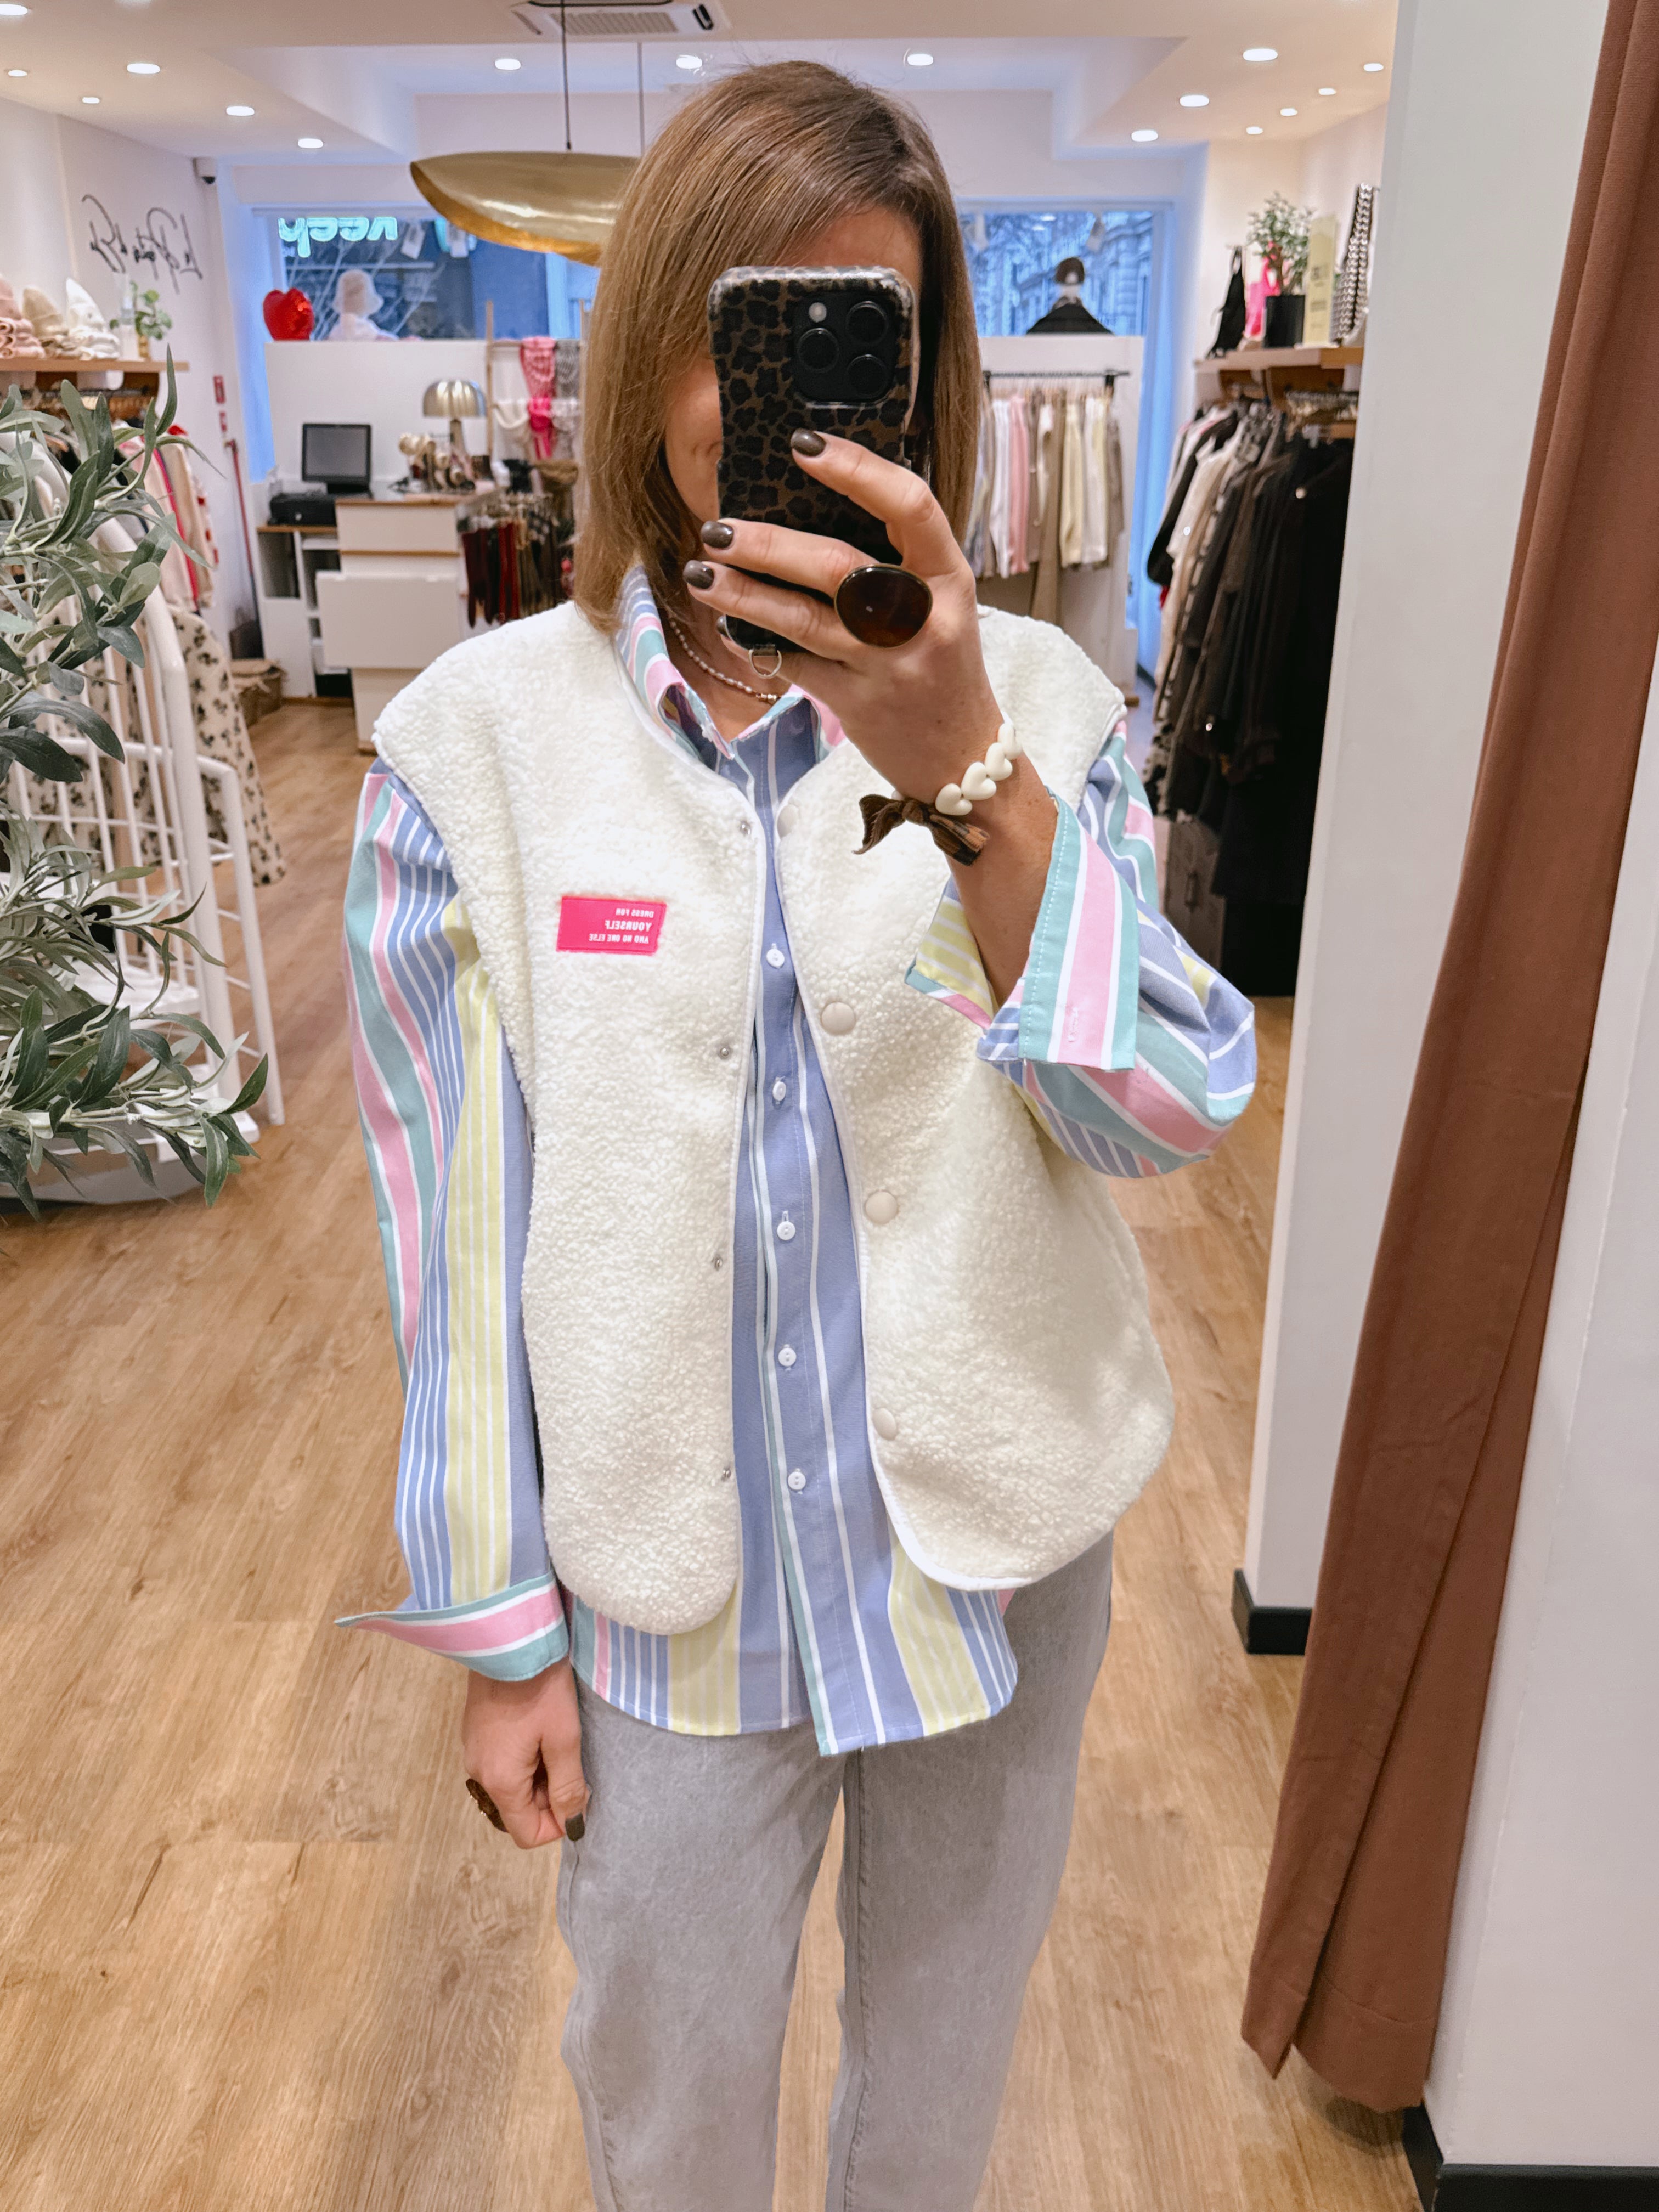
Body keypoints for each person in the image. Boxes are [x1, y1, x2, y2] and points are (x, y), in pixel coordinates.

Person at [341, 59, 1255, 2212]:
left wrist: (962, 771)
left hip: (990, 1566)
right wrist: (496, 1634)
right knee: (667, 2111)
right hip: (670, 1603)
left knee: (934, 2106)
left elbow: (1156, 1113)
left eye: (868, 344)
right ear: (656, 343)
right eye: (753, 333)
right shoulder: (478, 752)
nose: (803, 413)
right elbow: (452, 1234)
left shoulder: (1044, 709)